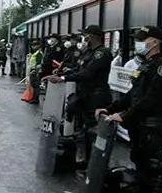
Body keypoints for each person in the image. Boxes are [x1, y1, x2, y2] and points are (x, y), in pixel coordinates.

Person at [95, 26, 162, 193]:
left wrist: (123, 116)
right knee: (142, 164)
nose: (138, 43)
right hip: (139, 125)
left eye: (142, 39)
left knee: (156, 168)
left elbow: (150, 98)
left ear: (155, 42)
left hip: (152, 125)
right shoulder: (145, 65)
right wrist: (110, 107)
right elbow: (133, 95)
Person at [46, 25, 113, 166]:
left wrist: (63, 79)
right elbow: (78, 69)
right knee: (80, 129)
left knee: (92, 131)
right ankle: (82, 161)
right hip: (84, 96)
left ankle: (95, 165)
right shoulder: (88, 53)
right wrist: (60, 74)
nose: (84, 38)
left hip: (96, 97)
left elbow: (87, 74)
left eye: (86, 35)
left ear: (93, 36)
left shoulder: (102, 53)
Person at [26, 39, 43, 104]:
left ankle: (35, 99)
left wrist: (35, 70)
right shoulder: (35, 53)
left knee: (36, 86)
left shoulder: (39, 53)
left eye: (35, 45)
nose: (33, 47)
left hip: (36, 71)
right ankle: (33, 98)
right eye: (33, 45)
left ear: (38, 46)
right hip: (33, 70)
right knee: (33, 85)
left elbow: (38, 63)